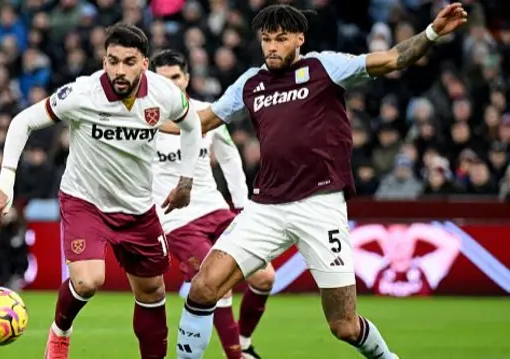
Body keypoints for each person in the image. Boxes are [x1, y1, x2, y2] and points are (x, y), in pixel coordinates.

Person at [168, 4, 468, 359]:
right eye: (266, 40)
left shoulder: (324, 67)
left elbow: (392, 59)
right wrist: (139, 121)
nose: (272, 47)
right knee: (203, 288)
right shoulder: (250, 82)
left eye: (281, 39)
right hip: (265, 207)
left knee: (344, 325)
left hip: (320, 206)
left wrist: (432, 32)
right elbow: (199, 121)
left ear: (299, 39)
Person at [0, 23, 204, 359]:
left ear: (144, 63)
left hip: (138, 208)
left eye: (129, 62)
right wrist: (5, 182)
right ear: (104, 61)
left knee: (152, 290)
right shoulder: (82, 94)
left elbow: (192, 124)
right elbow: (22, 122)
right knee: (88, 281)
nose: (119, 69)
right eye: (112, 61)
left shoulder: (164, 93)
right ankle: (60, 331)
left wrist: (186, 182)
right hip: (86, 202)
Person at [151, 49, 275, 359]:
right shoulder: (144, 121)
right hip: (175, 219)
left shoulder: (207, 113)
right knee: (216, 285)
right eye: (163, 80)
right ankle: (235, 356)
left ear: (187, 78)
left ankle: (244, 344)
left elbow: (230, 156)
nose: (171, 86)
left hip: (215, 208)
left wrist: (242, 204)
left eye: (176, 78)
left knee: (265, 277)